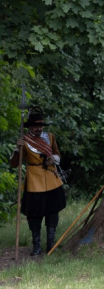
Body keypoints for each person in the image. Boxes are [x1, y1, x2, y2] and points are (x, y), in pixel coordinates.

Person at [10, 106, 67, 256]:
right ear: (30, 127)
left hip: (51, 178)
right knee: (34, 213)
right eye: (36, 126)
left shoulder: (50, 137)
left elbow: (56, 153)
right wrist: (18, 149)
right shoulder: (24, 140)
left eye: (40, 125)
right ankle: (36, 247)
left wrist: (54, 159)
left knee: (52, 211)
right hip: (34, 180)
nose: (38, 128)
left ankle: (51, 245)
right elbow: (14, 164)